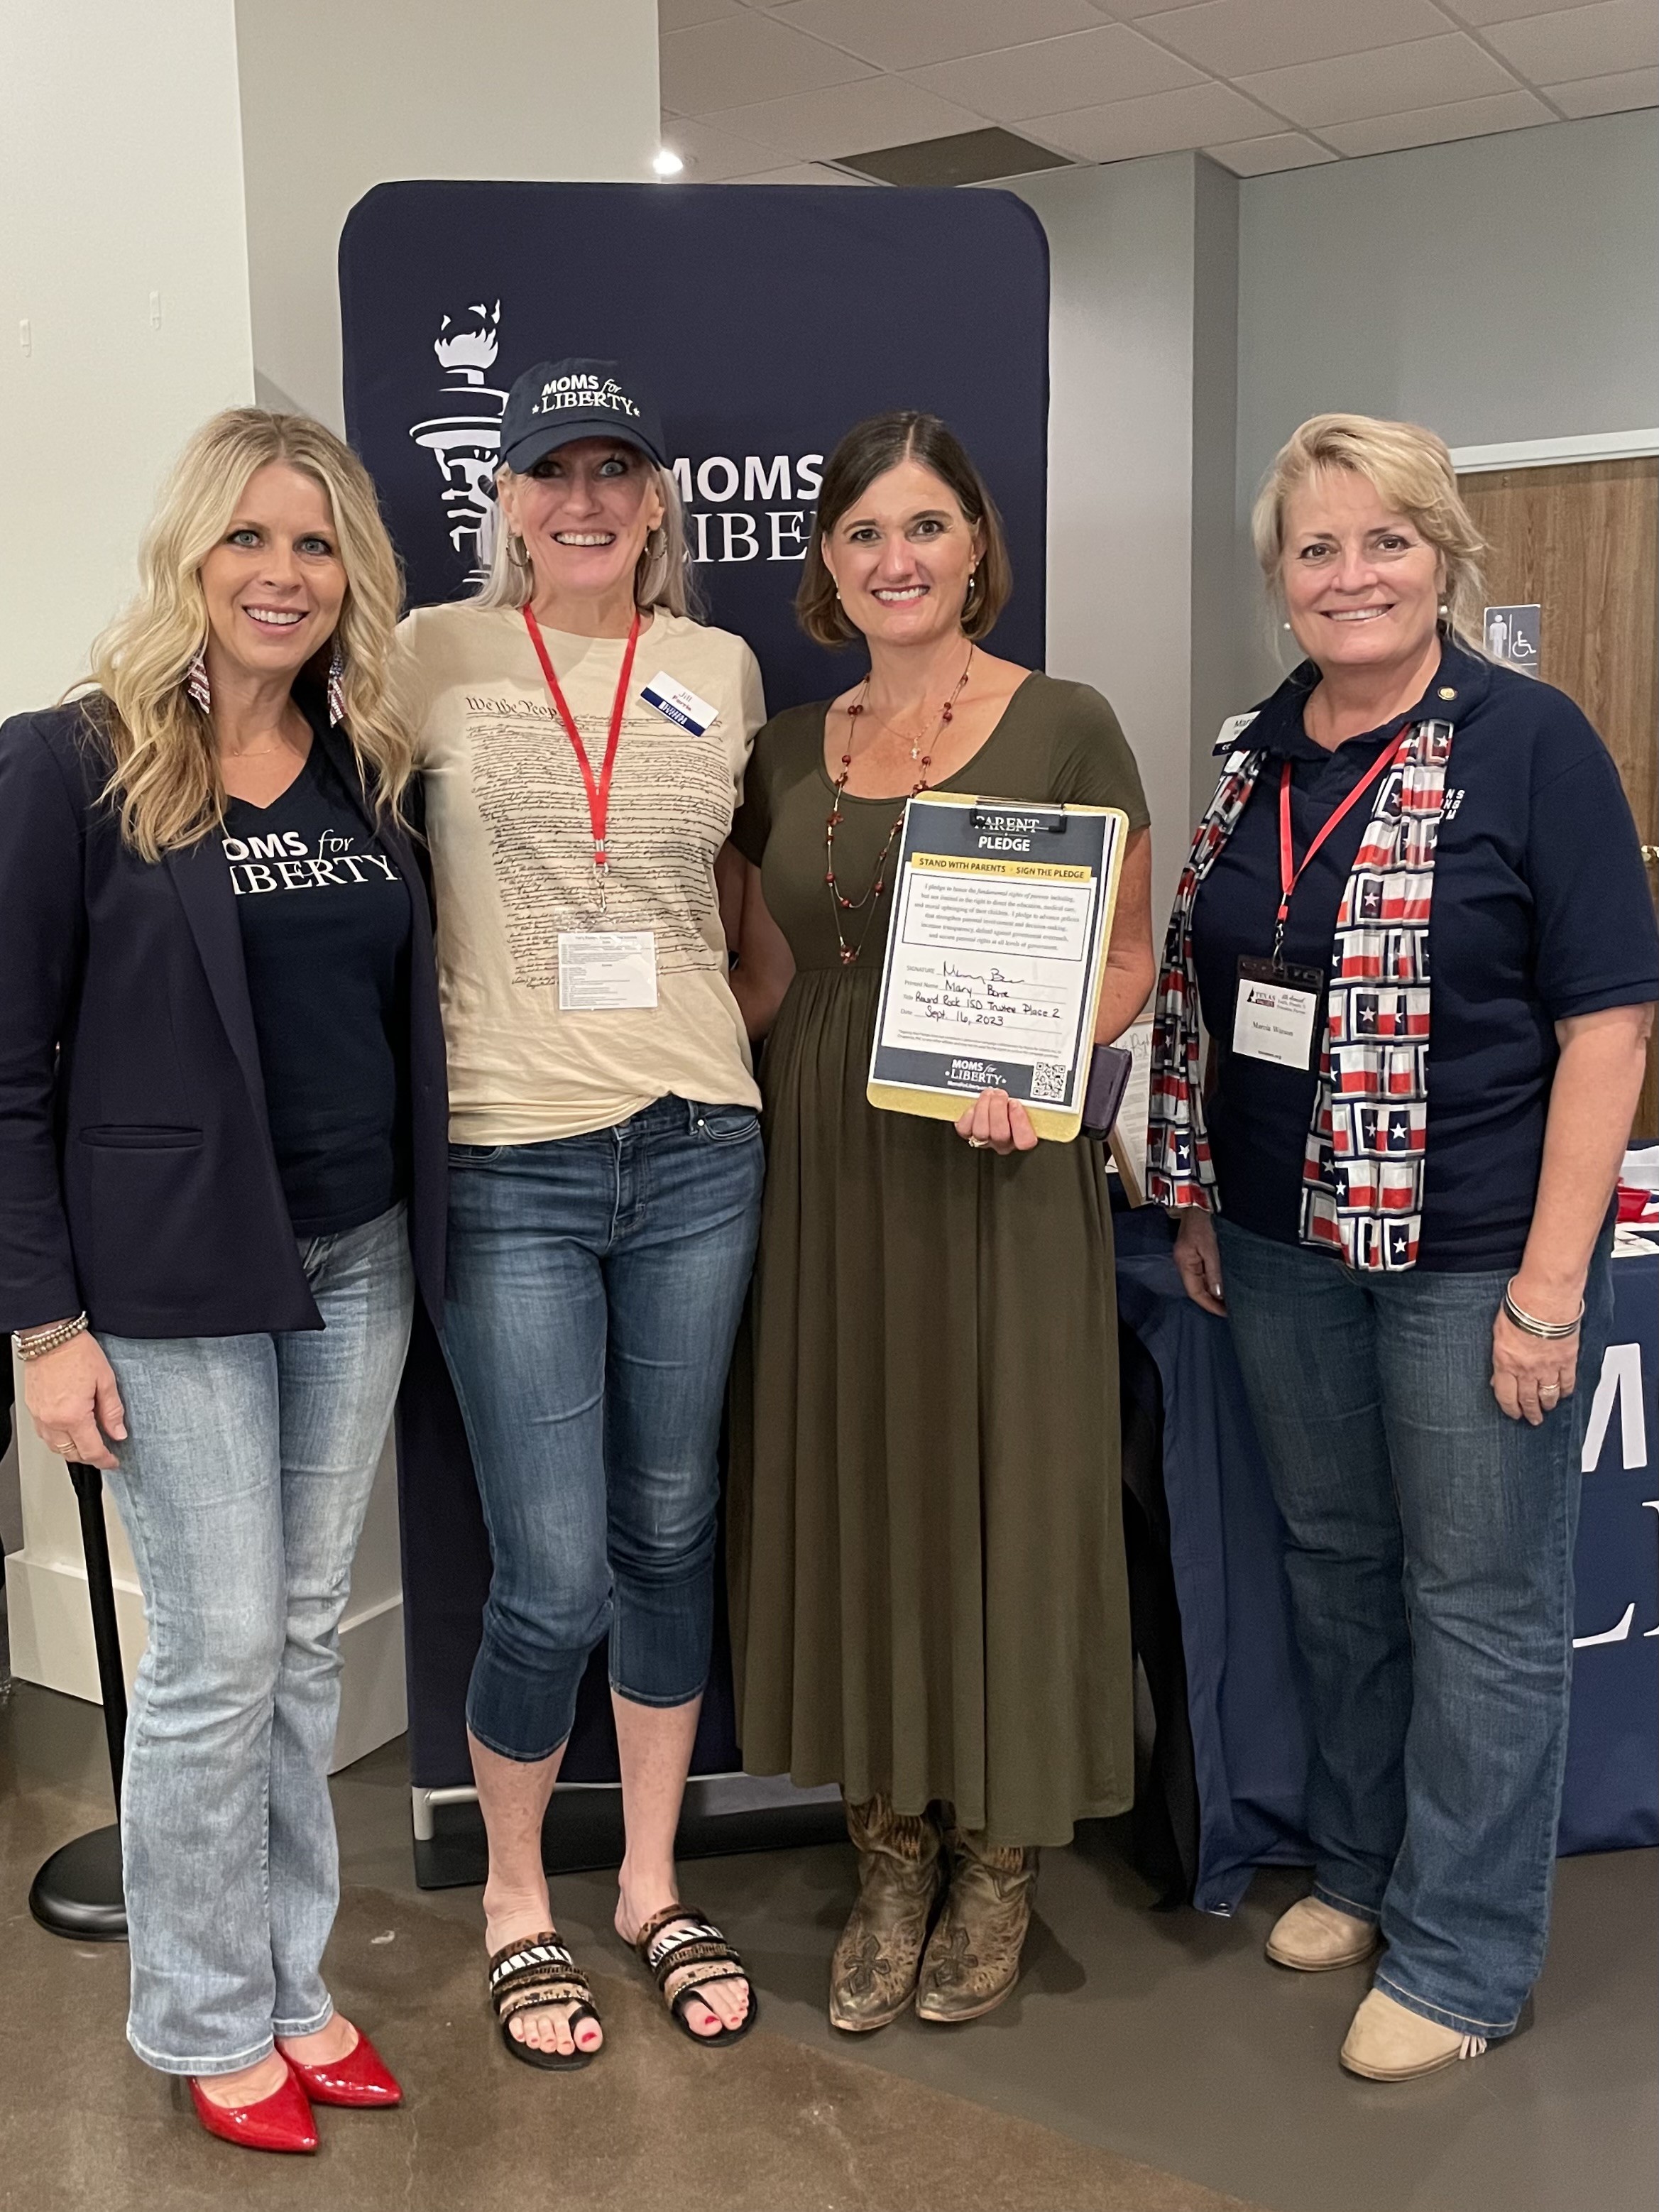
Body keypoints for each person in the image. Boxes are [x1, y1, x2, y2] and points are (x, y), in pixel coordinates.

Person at [1149, 412, 1658, 2081]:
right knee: (1337, 1569)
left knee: (1480, 1603)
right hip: (1280, 1237)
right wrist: (1201, 1192)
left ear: (1442, 555)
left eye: (1385, 540)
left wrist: (1548, 1286)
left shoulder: (1531, 742)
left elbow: (1606, 1024)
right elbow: (1218, 989)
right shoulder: (1254, 753)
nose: (1350, 574)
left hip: (1470, 1256)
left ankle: (1461, 1955)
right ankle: (1363, 1872)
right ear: (1278, 577)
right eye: (1315, 547)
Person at [0, 410, 448, 2152]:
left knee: (302, 1637)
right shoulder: (70, 766)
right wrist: (44, 1323)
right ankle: (200, 2010)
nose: (282, 574)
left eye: (316, 544)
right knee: (215, 1651)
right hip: (169, 1273)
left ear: (353, 576)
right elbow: (7, 1069)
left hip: (356, 1252)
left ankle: (289, 1980)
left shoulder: (367, 769)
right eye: (247, 539)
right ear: (189, 556)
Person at [724, 410, 1156, 2032]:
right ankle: (887, 1850)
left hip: (993, 1166)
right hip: (826, 1170)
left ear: (975, 543)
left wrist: (1037, 1071)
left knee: (1004, 1491)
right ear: (826, 563)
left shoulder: (1065, 725)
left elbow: (1125, 954)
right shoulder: (785, 746)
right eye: (862, 532)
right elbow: (768, 971)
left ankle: (997, 1857)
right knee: (860, 1485)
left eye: (923, 526)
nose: (893, 558)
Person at [398, 358, 766, 2068]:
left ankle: (648, 1881)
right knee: (548, 1570)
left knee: (670, 1528)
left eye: (615, 469)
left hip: (696, 1145)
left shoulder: (718, 669)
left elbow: (734, 902)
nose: (585, 501)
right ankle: (513, 1893)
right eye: (553, 472)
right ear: (509, 499)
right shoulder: (429, 654)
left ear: (656, 497)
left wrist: (710, 1045)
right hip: (508, 1154)